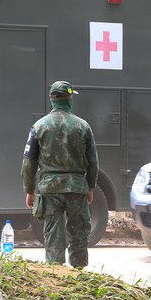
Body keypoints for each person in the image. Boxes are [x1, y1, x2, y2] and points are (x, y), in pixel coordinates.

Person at [21, 81, 99, 268]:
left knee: (53, 235)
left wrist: (29, 190)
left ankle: (56, 277)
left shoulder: (39, 126)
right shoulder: (83, 126)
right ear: (69, 99)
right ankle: (79, 277)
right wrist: (90, 186)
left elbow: (28, 162)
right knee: (78, 234)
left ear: (52, 100)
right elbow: (93, 161)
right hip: (77, 187)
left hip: (51, 189)